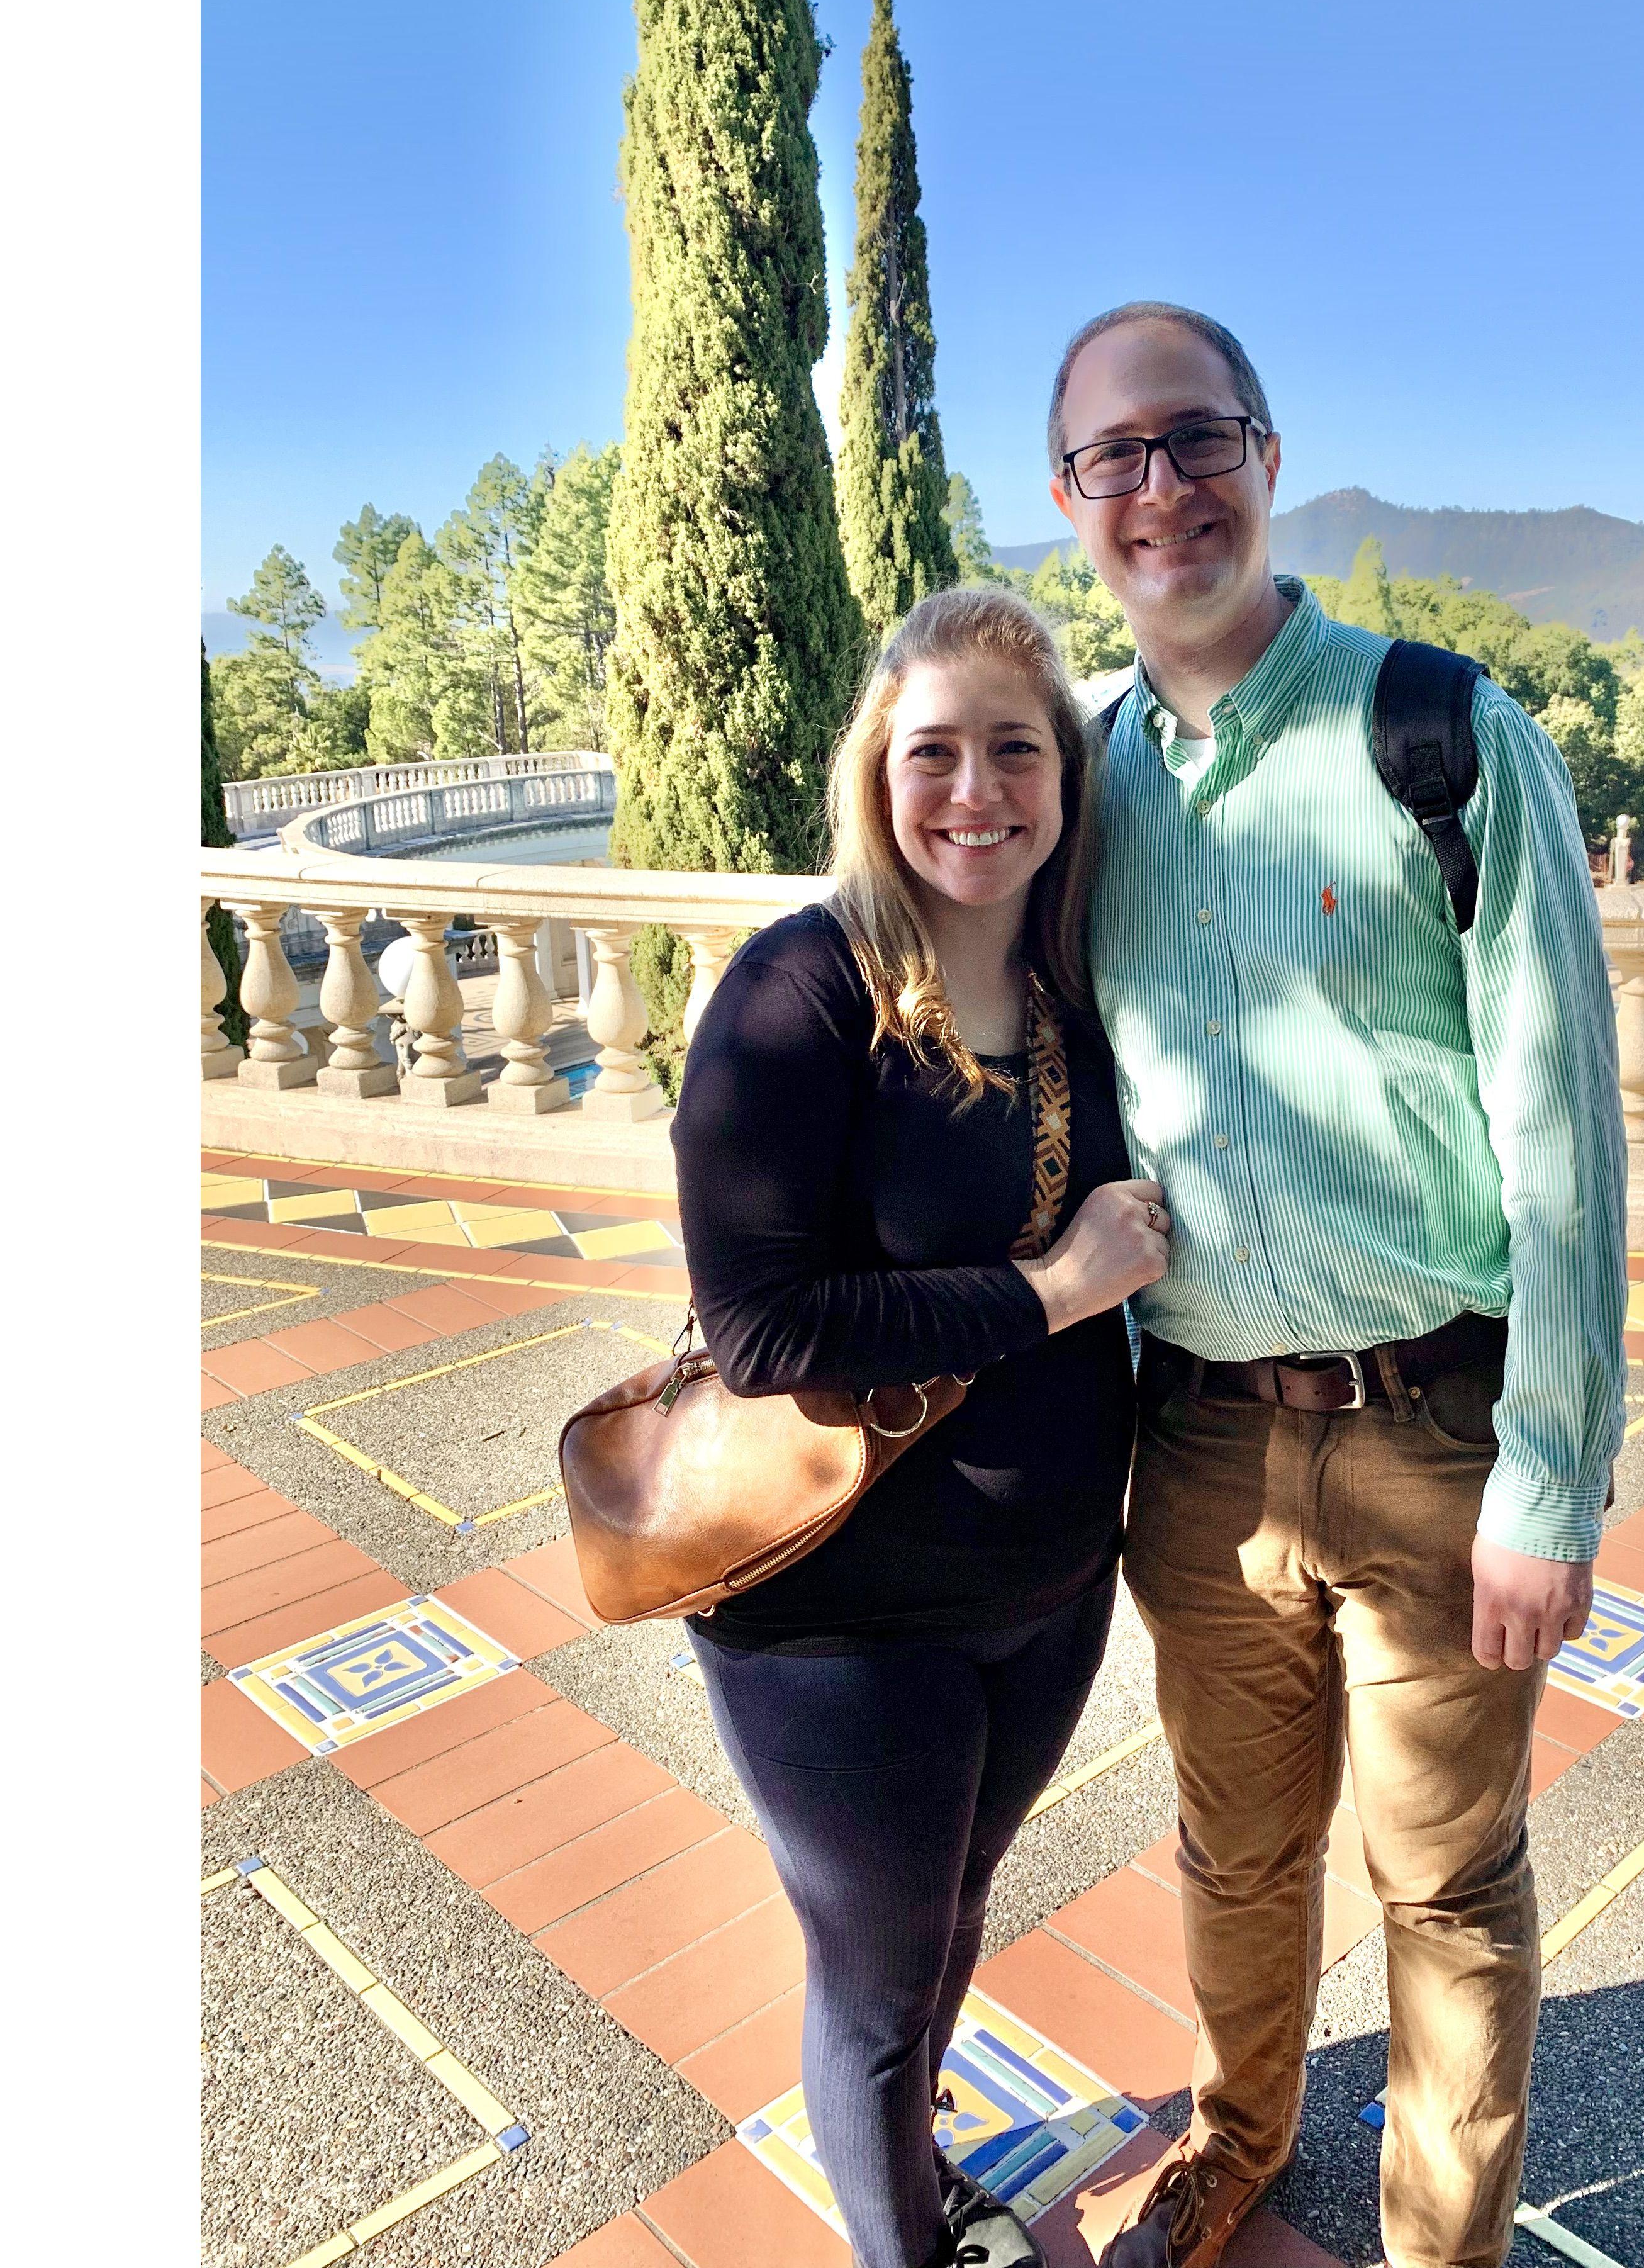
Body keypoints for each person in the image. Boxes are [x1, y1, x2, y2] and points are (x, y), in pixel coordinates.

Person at [1048, 305, 1630, 2268]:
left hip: (1438, 1430)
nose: (1160, 488)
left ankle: (1436, 2248)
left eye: (1193, 439)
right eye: (1112, 458)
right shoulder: (1076, 785)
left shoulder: (1440, 734)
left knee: (1449, 1888)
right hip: (1200, 1442)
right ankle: (1239, 2135)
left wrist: (1553, 1480)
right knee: (1234, 1853)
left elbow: (1563, 1138)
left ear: (1267, 456)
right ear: (1071, 503)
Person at [672, 586, 1171, 2268]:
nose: (976, 793)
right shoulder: (802, 993)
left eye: (1014, 752)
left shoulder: (1077, 990)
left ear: (1065, 779)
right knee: (879, 1985)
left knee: (951, 1917)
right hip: (836, 1618)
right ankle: (905, 2236)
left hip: (1042, 1599)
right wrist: (1048, 1291)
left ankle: (918, 2171)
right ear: (877, 772)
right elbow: (759, 1329)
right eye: (934, 751)